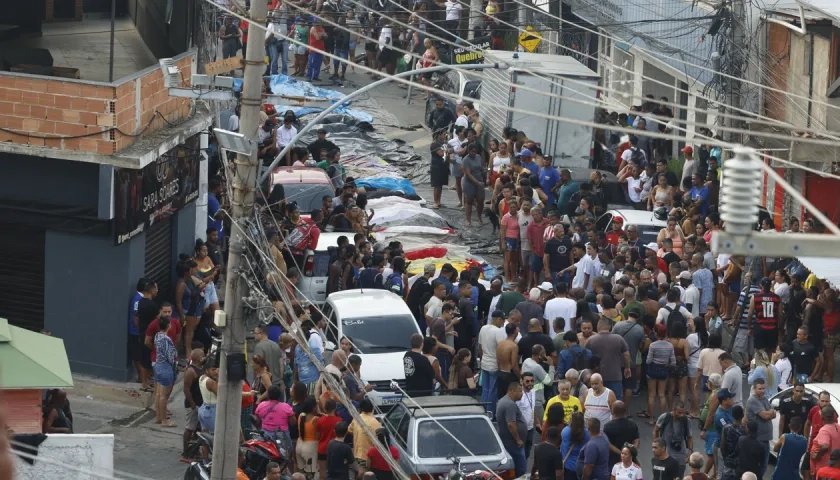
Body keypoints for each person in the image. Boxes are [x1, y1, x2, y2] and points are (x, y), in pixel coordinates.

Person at [586, 319, 631, 400]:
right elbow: (626, 354)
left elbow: (586, 357)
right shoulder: (619, 338)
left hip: (597, 376)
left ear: (598, 327)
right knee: (616, 399)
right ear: (610, 327)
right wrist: (627, 367)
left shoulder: (591, 340)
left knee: (598, 398)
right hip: (615, 375)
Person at [654, 401, 694, 478]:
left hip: (681, 454)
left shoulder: (686, 421)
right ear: (673, 410)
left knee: (679, 476)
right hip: (666, 452)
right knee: (665, 476)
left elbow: (689, 437)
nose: (681, 415)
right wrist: (656, 446)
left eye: (683, 413)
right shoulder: (665, 417)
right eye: (679, 412)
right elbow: (655, 431)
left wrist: (690, 452)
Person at [498, 382, 528, 477]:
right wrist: (518, 440)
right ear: (512, 391)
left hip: (508, 441)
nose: (522, 393)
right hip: (513, 443)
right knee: (521, 468)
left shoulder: (503, 401)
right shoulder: (509, 404)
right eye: (520, 391)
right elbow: (511, 424)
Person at [647, 324, 676, 424]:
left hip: (653, 369)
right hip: (664, 369)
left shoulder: (653, 345)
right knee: (662, 394)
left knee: (651, 395)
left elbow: (648, 360)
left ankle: (651, 419)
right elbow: (673, 362)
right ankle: (661, 419)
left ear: (656, 333)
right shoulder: (670, 345)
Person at [604, 401, 640, 467]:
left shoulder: (607, 426)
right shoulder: (632, 424)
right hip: (630, 459)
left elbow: (607, 443)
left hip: (613, 459)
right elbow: (637, 441)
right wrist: (629, 452)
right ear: (625, 411)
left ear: (612, 411)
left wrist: (621, 453)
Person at [773, 416, 808, 480]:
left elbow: (775, 448)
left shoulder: (785, 437)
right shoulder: (804, 441)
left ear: (789, 425)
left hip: (780, 473)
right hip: (794, 474)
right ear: (800, 427)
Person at [720, 405, 747, 480]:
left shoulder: (726, 428)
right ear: (742, 415)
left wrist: (726, 458)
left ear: (732, 415)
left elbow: (722, 446)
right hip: (740, 464)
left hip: (728, 462)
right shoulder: (745, 430)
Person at [562, 412, 591, 480]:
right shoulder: (587, 433)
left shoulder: (566, 431)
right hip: (582, 466)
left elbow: (564, 448)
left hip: (568, 465)